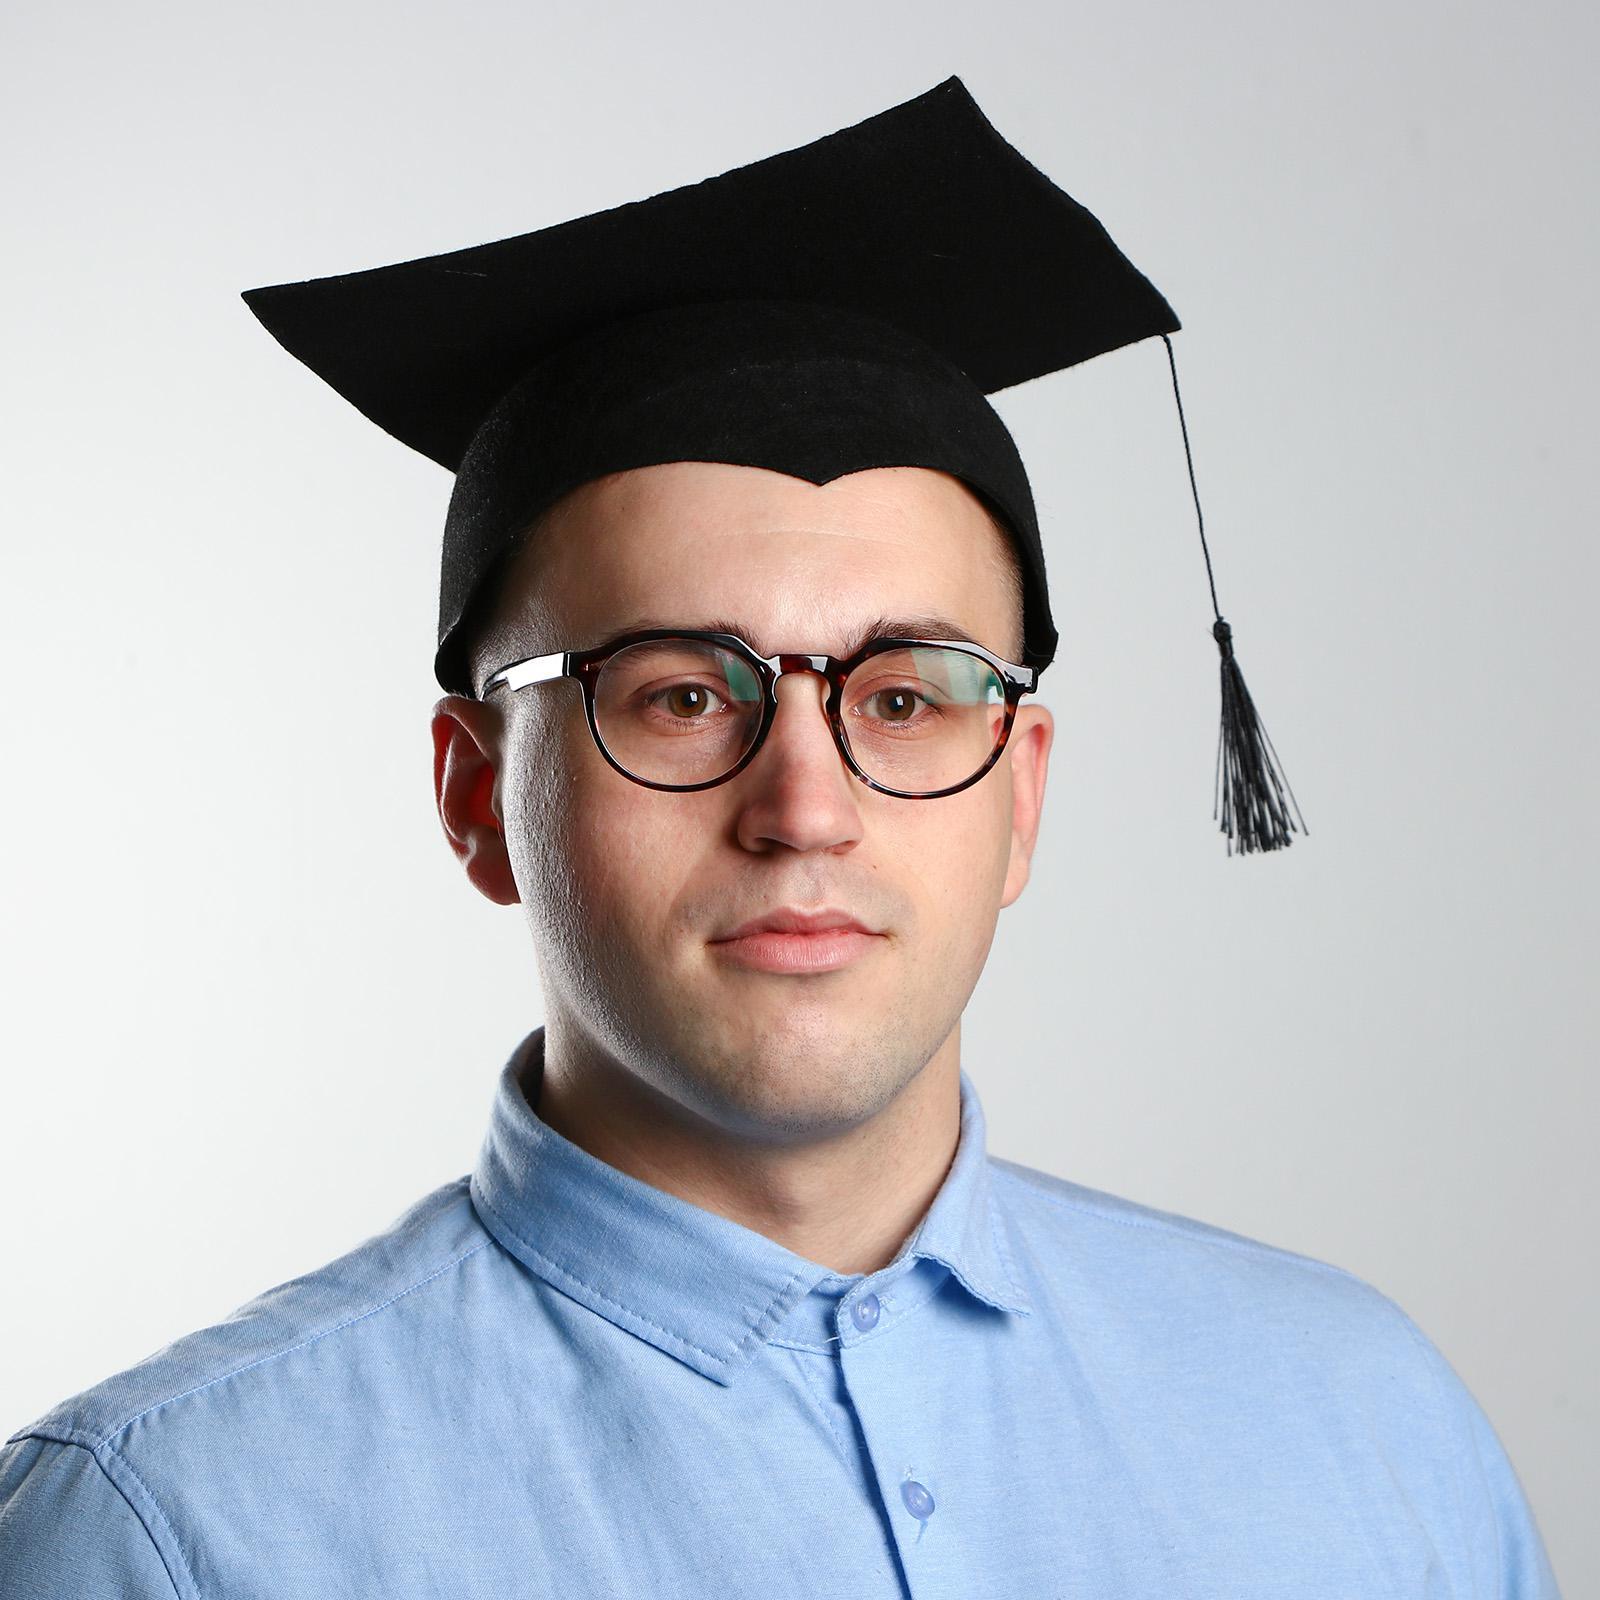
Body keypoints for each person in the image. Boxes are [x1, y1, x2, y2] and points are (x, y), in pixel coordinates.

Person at [0, 77, 1561, 1598]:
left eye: (905, 696)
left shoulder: (1367, 1431)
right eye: (682, 695)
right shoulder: (167, 1536)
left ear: (1021, 795)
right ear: (479, 796)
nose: (806, 808)